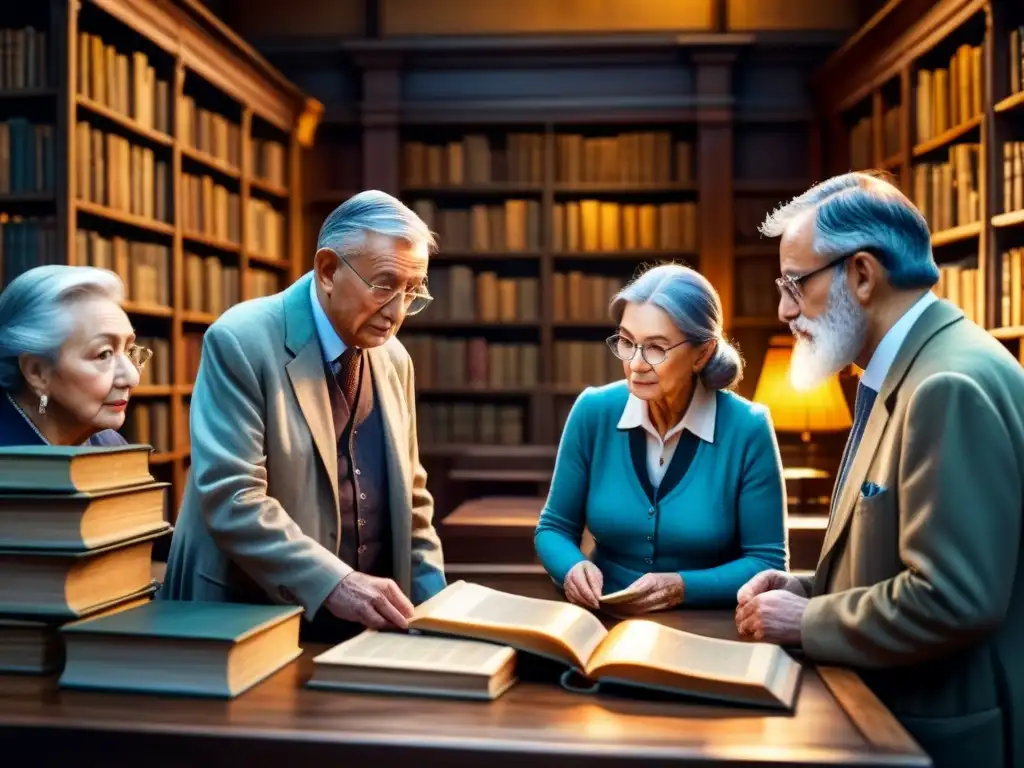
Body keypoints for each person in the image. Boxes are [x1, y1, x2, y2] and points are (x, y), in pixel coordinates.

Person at [734, 171, 1024, 768]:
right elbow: (900, 556)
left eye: (795, 284)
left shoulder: (946, 384)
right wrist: (809, 587)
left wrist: (808, 619)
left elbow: (953, 598)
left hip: (940, 734)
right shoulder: (910, 367)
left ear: (862, 275)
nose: (785, 309)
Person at [160, 190, 446, 642]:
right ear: (329, 271)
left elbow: (412, 502)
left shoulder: (394, 359)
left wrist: (440, 611)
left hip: (363, 630)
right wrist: (335, 581)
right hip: (250, 623)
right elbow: (232, 496)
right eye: (385, 284)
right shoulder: (241, 339)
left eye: (413, 292)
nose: (397, 312)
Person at [534, 263, 788, 613]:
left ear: (703, 353)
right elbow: (554, 528)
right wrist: (571, 568)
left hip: (706, 626)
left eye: (655, 348)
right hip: (601, 620)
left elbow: (767, 563)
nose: (636, 364)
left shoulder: (748, 428)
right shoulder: (593, 411)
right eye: (626, 342)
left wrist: (683, 587)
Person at [0, 265, 146, 448]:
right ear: (37, 372)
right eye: (104, 354)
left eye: (129, 350)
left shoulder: (111, 444)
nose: (132, 378)